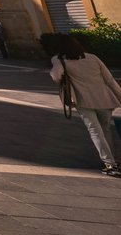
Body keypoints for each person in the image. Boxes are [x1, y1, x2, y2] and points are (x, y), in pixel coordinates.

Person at [50, 35, 121, 176]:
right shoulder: (93, 58)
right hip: (104, 98)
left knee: (95, 130)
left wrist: (57, 64)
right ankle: (112, 161)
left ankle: (109, 163)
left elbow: (56, 77)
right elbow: (109, 79)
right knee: (105, 129)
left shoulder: (59, 60)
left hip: (83, 100)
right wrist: (119, 95)